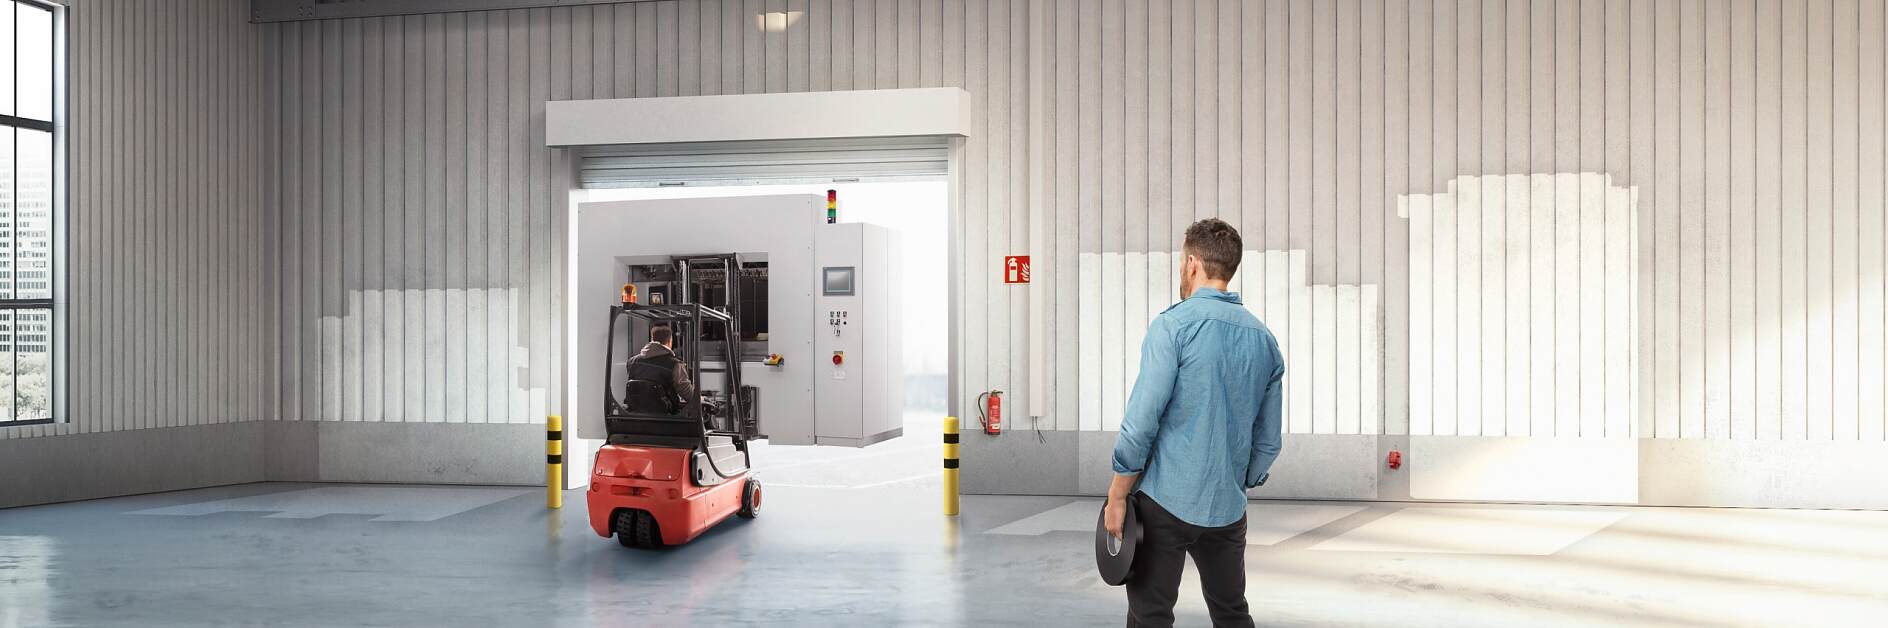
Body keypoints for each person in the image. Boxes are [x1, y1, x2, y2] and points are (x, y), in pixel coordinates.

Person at [1105, 218, 1286, 628]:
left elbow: (1141, 422)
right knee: (1231, 612)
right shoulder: (1264, 340)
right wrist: (1237, 479)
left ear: (1191, 263)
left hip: (1164, 502)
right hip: (1227, 508)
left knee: (1150, 617)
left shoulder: (1173, 326)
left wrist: (1117, 496)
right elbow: (1268, 442)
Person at [624, 324, 697, 413]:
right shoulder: (675, 364)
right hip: (664, 416)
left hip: (635, 412)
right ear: (670, 341)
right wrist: (700, 399)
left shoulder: (632, 361)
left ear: (652, 339)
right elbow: (686, 392)